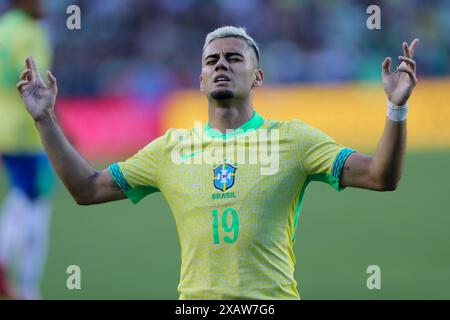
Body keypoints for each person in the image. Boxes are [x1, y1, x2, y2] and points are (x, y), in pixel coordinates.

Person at [16, 26, 418, 299]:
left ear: (257, 76)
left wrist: (395, 110)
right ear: (201, 80)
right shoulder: (170, 149)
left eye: (233, 58)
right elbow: (86, 189)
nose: (221, 64)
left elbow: (382, 177)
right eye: (211, 61)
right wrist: (44, 119)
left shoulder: (294, 139)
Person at [0, 0, 54, 300]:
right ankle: (25, 284)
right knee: (35, 202)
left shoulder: (3, 27)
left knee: (29, 196)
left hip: (4, 127)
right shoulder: (32, 31)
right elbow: (34, 85)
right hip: (26, 130)